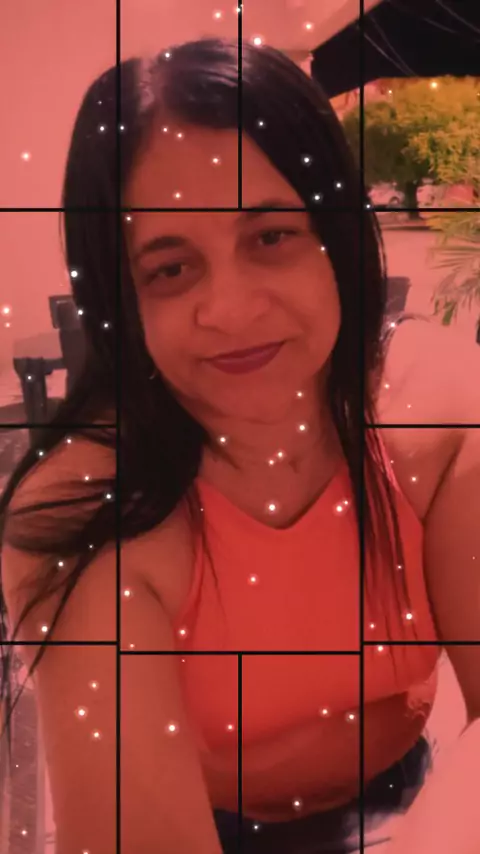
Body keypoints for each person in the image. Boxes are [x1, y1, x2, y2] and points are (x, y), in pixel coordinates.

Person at [0, 38, 479, 854]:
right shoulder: (87, 514)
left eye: (270, 237)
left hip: (415, 799)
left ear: (336, 235)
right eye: (170, 269)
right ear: (122, 301)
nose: (230, 309)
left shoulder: (438, 427)